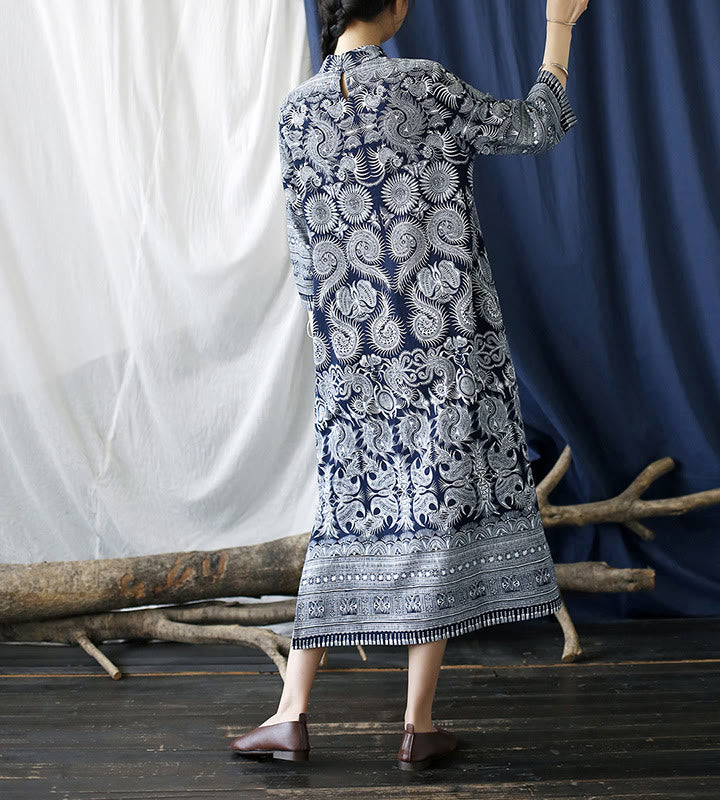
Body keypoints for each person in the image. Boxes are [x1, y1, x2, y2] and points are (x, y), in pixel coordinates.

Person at [231, 0, 588, 770]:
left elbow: (302, 252)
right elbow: (536, 124)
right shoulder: (423, 85)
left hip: (356, 357)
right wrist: (559, 24)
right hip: (448, 348)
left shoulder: (297, 111)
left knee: (343, 517)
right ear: (390, 9)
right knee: (437, 521)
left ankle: (291, 714)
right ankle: (417, 726)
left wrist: (350, 333)